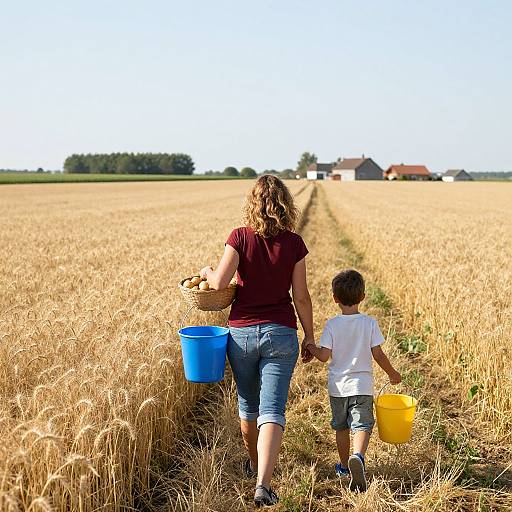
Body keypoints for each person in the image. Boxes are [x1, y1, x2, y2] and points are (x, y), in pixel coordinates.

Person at [200, 175, 314, 507]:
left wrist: (207, 272)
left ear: (253, 203)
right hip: (281, 333)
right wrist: (309, 335)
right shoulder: (294, 244)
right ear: (285, 204)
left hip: (242, 335)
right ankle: (263, 483)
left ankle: (253, 463)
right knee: (273, 409)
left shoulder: (239, 237)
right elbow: (302, 297)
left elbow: (220, 282)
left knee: (248, 405)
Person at [305, 269, 401, 492]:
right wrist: (392, 373)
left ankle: (344, 466)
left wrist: (310, 345)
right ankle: (358, 456)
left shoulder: (331, 325)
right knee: (362, 425)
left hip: (337, 388)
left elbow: (323, 356)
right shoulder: (369, 323)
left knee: (341, 427)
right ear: (363, 297)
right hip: (362, 387)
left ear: (335, 299)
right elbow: (378, 354)